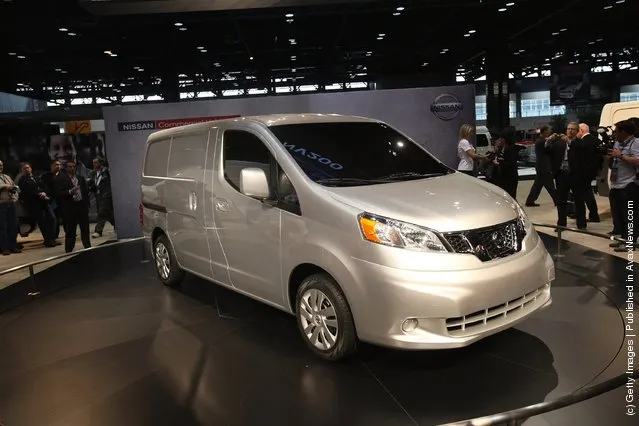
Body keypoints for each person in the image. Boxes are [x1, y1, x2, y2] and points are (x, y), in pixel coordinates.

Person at [608, 120, 639, 252]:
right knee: (619, 215)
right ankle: (623, 239)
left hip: (629, 184)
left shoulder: (636, 142)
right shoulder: (617, 143)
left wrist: (620, 155)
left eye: (616, 131)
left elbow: (637, 160)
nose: (614, 133)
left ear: (624, 132)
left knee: (630, 216)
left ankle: (630, 243)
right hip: (616, 184)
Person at [55, 159, 91, 253]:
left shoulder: (80, 178)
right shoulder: (61, 179)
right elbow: (58, 193)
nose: (72, 168)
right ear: (66, 168)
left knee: (85, 228)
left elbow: (85, 192)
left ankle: (87, 245)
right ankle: (69, 249)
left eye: (74, 166)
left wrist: (86, 204)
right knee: (71, 230)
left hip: (81, 206)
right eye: (70, 166)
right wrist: (70, 191)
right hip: (70, 207)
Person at [525, 125, 558, 206]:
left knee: (538, 186)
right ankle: (557, 201)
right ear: (545, 131)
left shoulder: (540, 140)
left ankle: (530, 201)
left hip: (541, 166)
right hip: (544, 167)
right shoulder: (541, 141)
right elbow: (549, 148)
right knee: (550, 186)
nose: (550, 132)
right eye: (549, 130)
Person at [0, 159, 21, 255]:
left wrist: (15, 198)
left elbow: (15, 188)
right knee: (3, 227)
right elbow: (4, 186)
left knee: (13, 226)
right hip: (1, 205)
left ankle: (13, 246)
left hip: (11, 203)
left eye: (1, 165)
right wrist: (5, 186)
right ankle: (5, 248)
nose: (0, 167)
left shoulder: (7, 177)